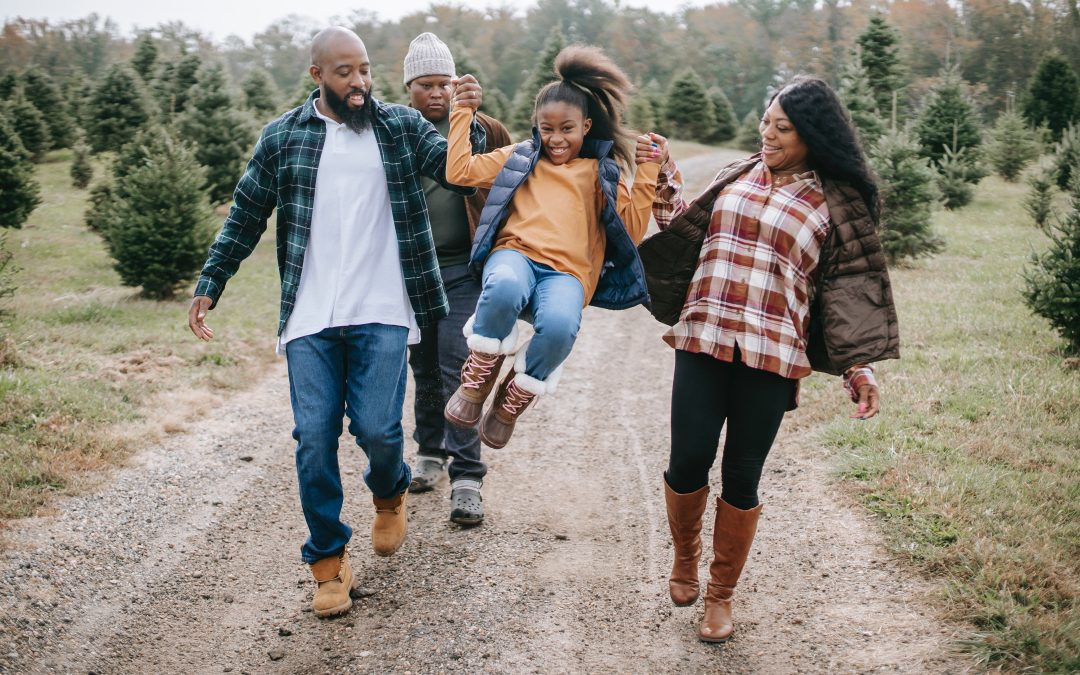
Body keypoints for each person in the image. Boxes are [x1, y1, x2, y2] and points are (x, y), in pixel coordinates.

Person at [186, 26, 486, 619]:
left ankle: (389, 487)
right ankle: (327, 562)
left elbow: (459, 169)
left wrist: (466, 116)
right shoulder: (282, 138)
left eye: (366, 70)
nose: (360, 82)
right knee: (314, 440)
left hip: (381, 309)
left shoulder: (397, 127)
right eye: (345, 72)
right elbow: (246, 213)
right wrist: (211, 282)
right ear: (317, 75)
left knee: (377, 429)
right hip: (311, 315)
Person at [646, 76, 899, 643]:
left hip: (770, 354)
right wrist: (663, 181)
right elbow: (687, 230)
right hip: (705, 335)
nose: (768, 134)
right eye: (766, 122)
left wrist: (859, 368)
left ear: (811, 135)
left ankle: (720, 595)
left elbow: (846, 293)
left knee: (741, 476)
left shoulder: (834, 204)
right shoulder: (736, 174)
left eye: (782, 128)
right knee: (687, 460)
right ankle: (684, 557)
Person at [442, 45, 664, 449]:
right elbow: (459, 171)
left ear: (586, 126)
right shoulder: (519, 158)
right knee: (505, 286)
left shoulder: (601, 172)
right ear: (536, 125)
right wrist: (462, 113)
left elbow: (630, 234)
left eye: (567, 129)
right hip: (516, 256)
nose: (556, 139)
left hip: (567, 274)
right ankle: (478, 377)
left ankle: (513, 396)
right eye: (547, 128)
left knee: (561, 328)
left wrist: (647, 171)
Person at [399, 33, 511, 526]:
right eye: (426, 85)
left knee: (458, 366)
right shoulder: (397, 131)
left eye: (445, 83)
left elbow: (515, 184)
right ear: (409, 88)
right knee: (422, 365)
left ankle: (467, 478)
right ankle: (429, 452)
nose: (438, 93)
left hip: (466, 270)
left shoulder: (482, 128)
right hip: (413, 272)